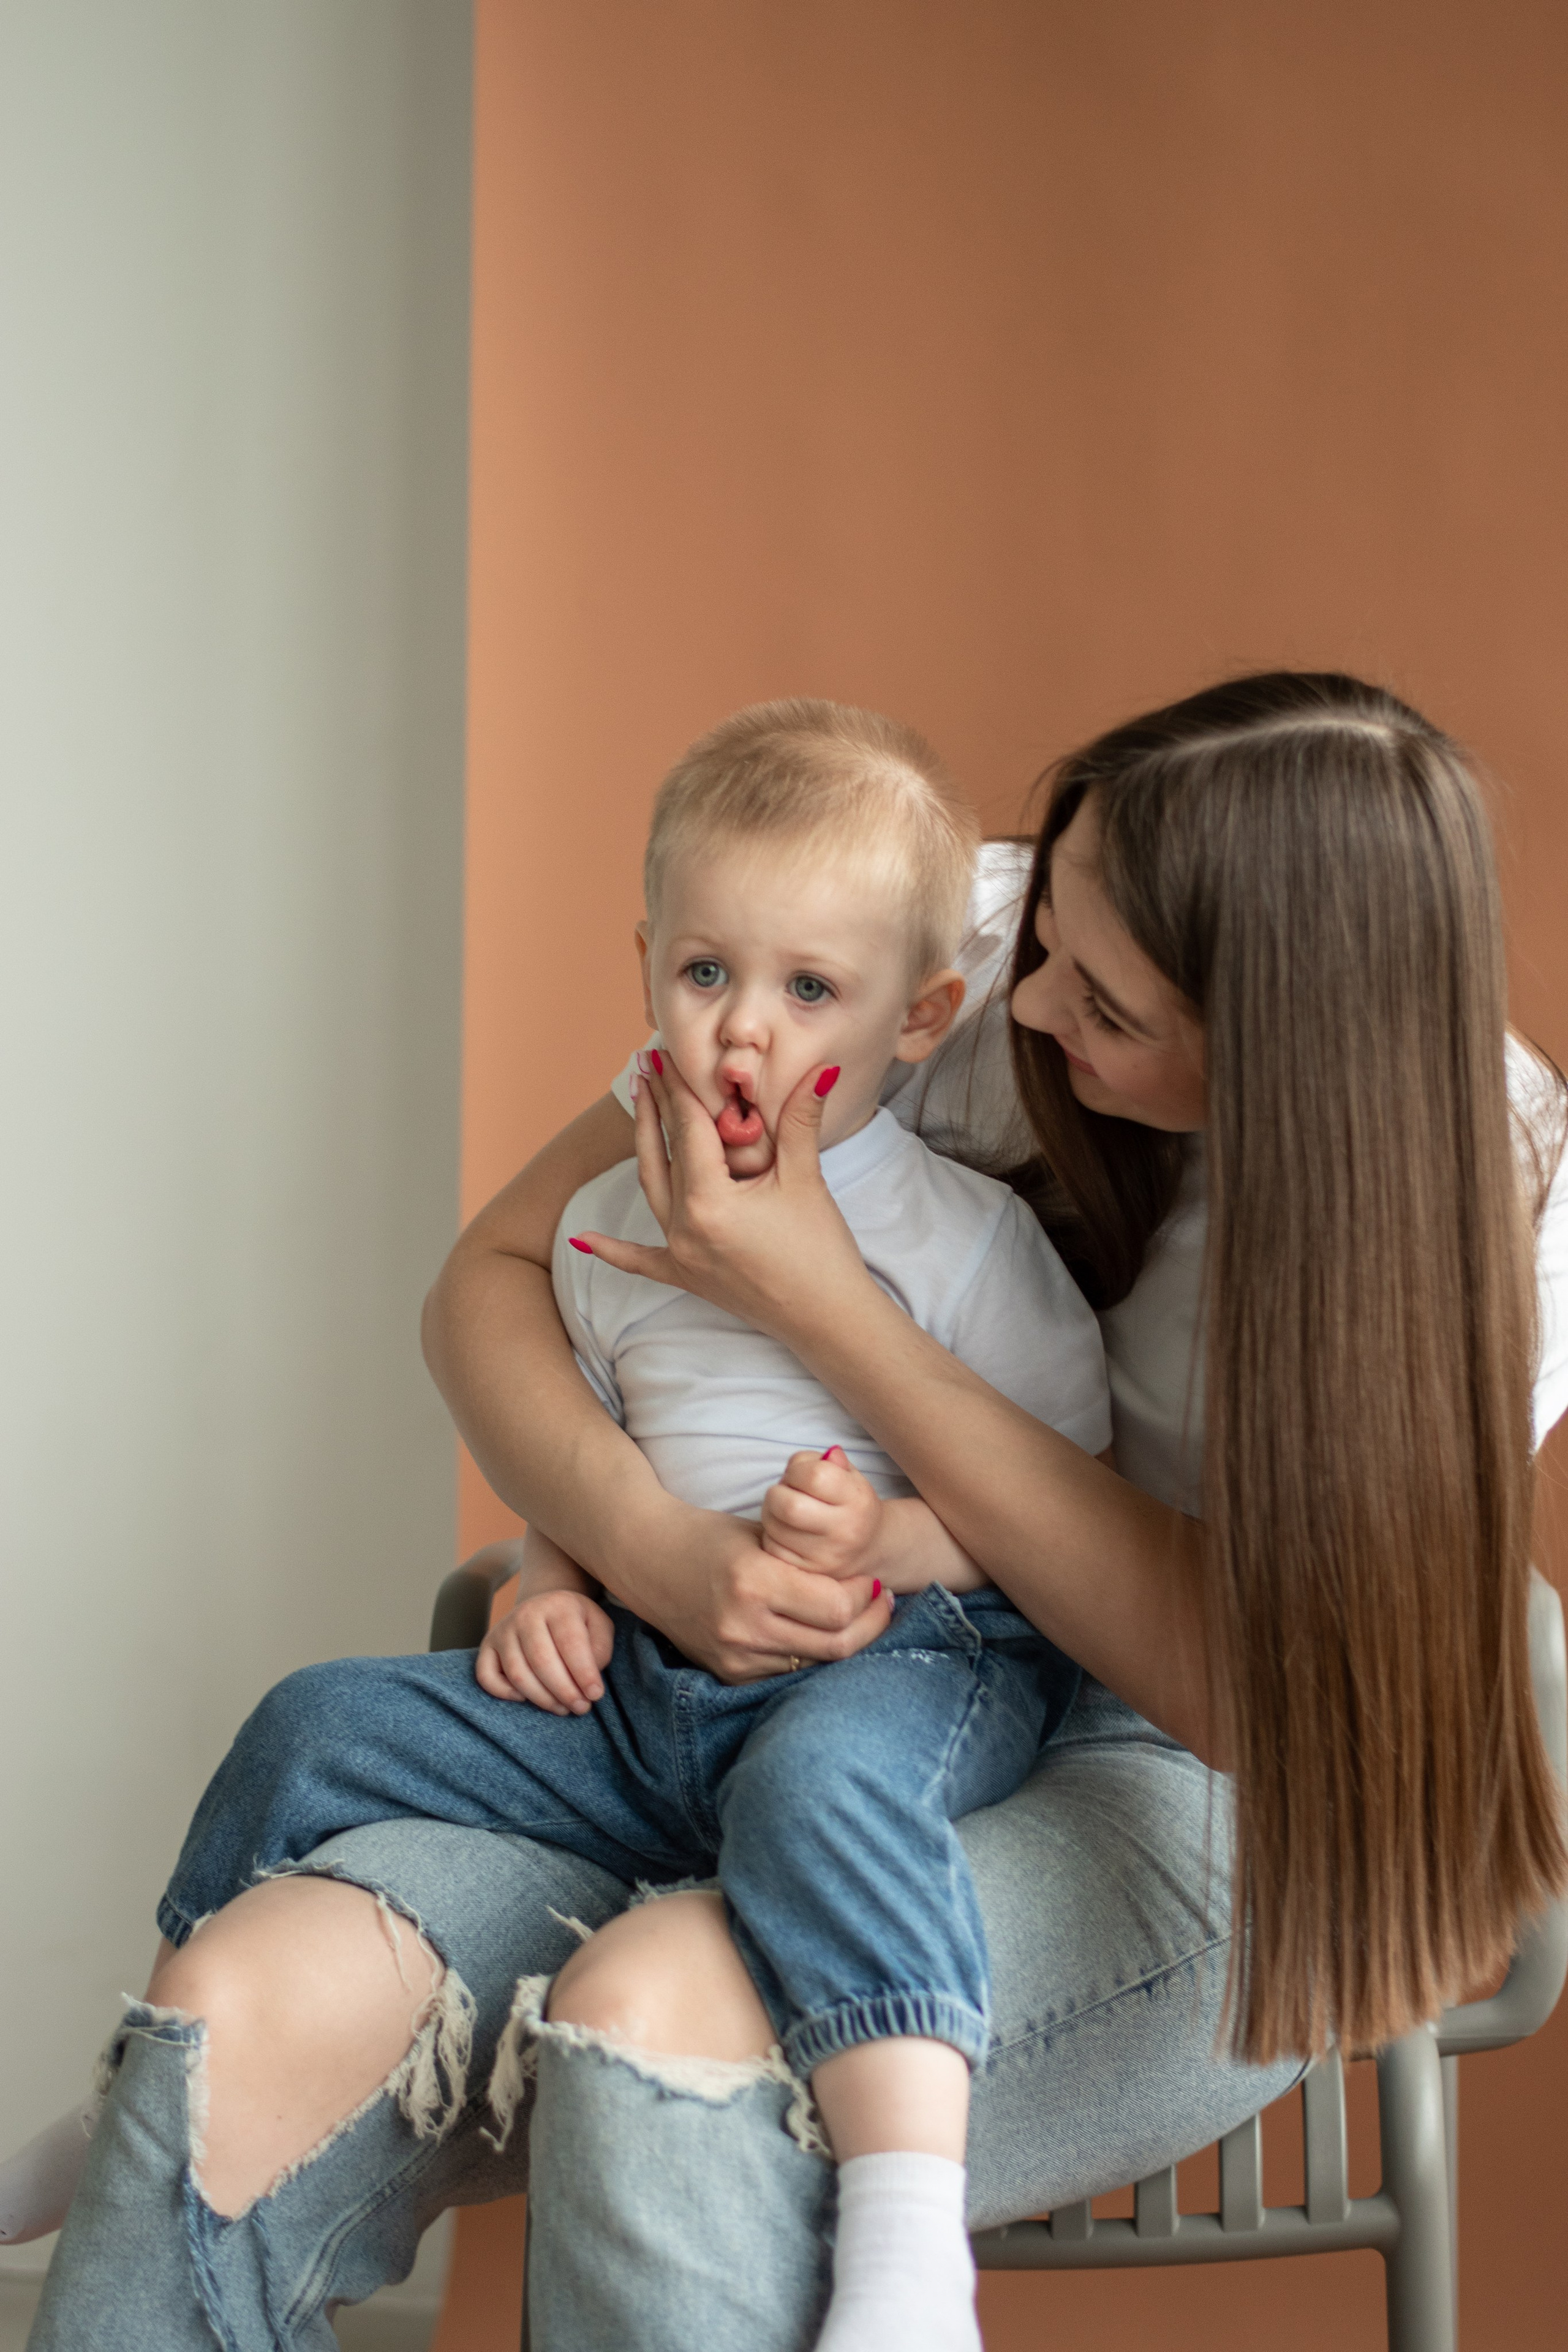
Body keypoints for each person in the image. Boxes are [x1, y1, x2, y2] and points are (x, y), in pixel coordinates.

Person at [22, 673, 1568, 2352]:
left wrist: (826, 1308)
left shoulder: (1479, 1190)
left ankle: (908, 2270)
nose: (1032, 1002)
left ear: (1274, 1041)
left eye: (1109, 1006)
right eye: (1048, 933)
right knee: (238, 2007)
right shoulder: (931, 947)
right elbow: (503, 1274)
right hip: (720, 1678)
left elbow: (1254, 1697)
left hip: (1187, 1766)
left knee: (658, 2011)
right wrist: (643, 1548)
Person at [109, 699, 1110, 2352]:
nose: (743, 1033)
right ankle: (142, 2095)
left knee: (824, 1793)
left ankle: (908, 2240)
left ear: (923, 1015)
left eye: (811, 992)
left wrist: (898, 1544)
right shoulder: (606, 1217)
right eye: (706, 972)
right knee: (317, 1720)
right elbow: (581, 1431)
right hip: (649, 1693)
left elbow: (1059, 1491)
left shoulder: (961, 1238)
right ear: (646, 966)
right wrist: (548, 1574)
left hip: (902, 1661)